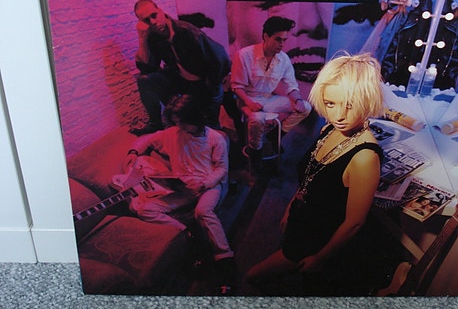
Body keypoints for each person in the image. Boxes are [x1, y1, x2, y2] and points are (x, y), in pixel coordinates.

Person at [246, 53, 386, 295]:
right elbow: (312, 174)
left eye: (349, 105)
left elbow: (354, 223)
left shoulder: (365, 157)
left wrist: (320, 257)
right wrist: (292, 206)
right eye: (331, 104)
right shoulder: (329, 129)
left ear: (367, 99)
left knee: (251, 277)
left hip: (319, 239)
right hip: (303, 223)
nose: (338, 116)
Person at [121, 94, 237, 294]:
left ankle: (225, 261)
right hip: (181, 188)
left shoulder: (215, 138)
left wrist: (205, 183)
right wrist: (133, 152)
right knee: (145, 210)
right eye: (176, 122)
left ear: (195, 117)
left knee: (202, 211)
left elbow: (222, 169)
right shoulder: (172, 134)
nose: (179, 126)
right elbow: (146, 139)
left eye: (183, 122)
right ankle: (189, 234)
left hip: (208, 186)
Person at [131, 0, 231, 134]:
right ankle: (155, 124)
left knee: (207, 132)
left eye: (154, 15)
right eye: (146, 20)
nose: (153, 22)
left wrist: (211, 86)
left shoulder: (185, 30)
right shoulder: (154, 37)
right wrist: (142, 38)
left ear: (160, 11)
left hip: (205, 85)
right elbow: (148, 68)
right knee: (144, 80)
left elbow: (220, 58)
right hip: (181, 82)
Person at [231, 16, 312, 168]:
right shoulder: (244, 55)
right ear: (266, 36)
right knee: (257, 118)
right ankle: (255, 152)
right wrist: (249, 103)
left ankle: (275, 136)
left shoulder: (284, 59)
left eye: (284, 40)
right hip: (246, 99)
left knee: (306, 107)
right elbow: (237, 87)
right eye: (278, 39)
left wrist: (298, 101)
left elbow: (291, 86)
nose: (282, 44)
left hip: (269, 99)